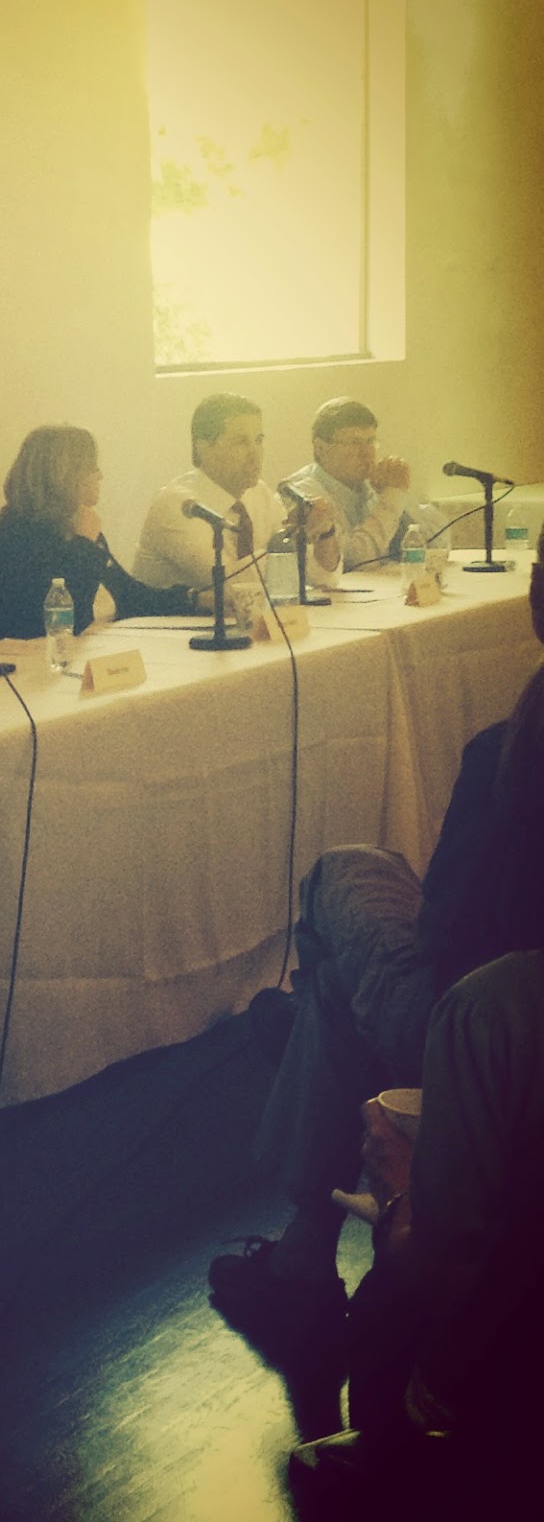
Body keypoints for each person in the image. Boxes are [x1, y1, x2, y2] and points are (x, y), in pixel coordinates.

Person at [208, 534, 544, 1339]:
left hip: (479, 1040)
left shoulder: (507, 756)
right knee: (349, 963)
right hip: (504, 1019)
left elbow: (445, 938)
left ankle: (303, 1250)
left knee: (345, 878)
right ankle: (301, 1247)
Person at [288, 950, 544, 1503]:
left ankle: (402, 1459)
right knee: (333, 985)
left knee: (339, 935)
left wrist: (398, 1189)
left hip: (508, 1378)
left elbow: (441, 1277)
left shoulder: (491, 1005)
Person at [0, 424, 202, 640]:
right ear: (63, 476)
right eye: (91, 467)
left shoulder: (76, 529)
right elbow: (64, 621)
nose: (100, 475)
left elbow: (129, 596)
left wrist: (195, 599)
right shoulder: (14, 539)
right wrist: (84, 544)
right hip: (32, 662)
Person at [132, 392, 342, 592]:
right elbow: (229, 585)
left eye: (258, 440)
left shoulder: (259, 494)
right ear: (202, 448)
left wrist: (323, 532)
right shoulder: (179, 505)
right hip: (173, 618)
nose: (255, 454)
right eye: (240, 442)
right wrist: (290, 544)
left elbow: (323, 579)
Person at [283, 397, 436, 569]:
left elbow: (434, 542)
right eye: (354, 443)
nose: (367, 453)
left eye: (370, 441)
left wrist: (396, 490)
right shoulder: (300, 492)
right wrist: (391, 497)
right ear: (320, 448)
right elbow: (353, 560)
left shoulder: (371, 485)